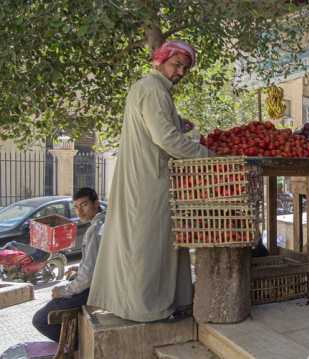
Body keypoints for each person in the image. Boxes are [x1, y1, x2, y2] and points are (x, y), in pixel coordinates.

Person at [87, 40, 211, 323]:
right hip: (149, 178)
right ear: (161, 60)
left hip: (140, 174)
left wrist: (179, 123)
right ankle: (147, 308)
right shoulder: (156, 90)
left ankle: (144, 303)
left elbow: (156, 126)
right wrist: (205, 154)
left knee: (141, 241)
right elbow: (165, 138)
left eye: (185, 68)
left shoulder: (145, 87)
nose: (180, 71)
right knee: (148, 244)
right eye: (176, 64)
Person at [32, 188, 106, 343]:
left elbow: (86, 279)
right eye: (76, 207)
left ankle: (81, 345)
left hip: (93, 291)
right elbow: (98, 262)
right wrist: (78, 268)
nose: (80, 211)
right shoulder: (103, 222)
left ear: (96, 203)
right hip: (97, 285)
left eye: (84, 205)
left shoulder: (96, 229)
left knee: (40, 320)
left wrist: (63, 291)